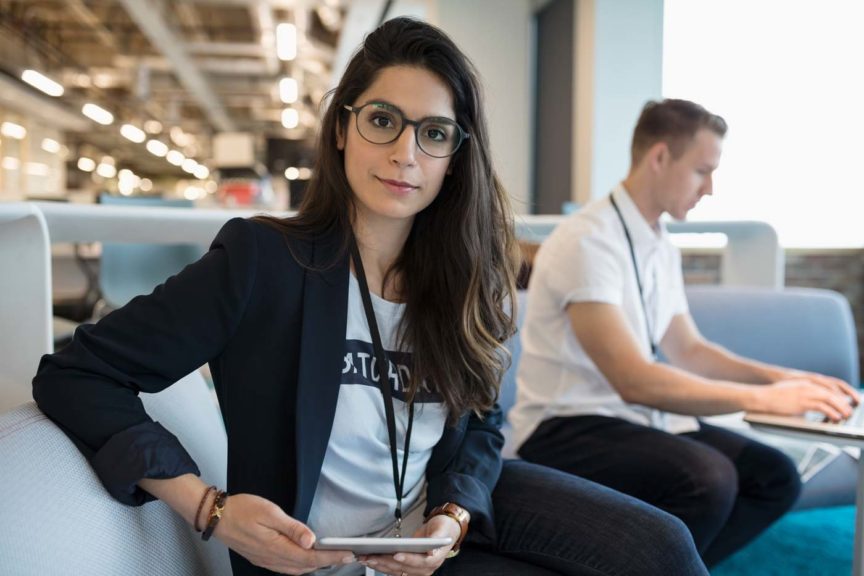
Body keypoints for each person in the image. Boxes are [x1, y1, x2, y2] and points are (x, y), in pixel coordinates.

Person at [33, 21, 709, 576]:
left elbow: (478, 427)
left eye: (434, 133)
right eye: (384, 121)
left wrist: (455, 513)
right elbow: (77, 374)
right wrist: (209, 507)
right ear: (342, 129)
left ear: (455, 156)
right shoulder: (262, 262)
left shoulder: (463, 276)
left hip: (427, 545)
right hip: (310, 561)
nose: (405, 154)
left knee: (664, 548)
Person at [509, 98, 861, 567]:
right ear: (659, 158)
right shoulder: (586, 242)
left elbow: (690, 349)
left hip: (637, 420)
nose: (710, 188)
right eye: (702, 171)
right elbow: (632, 379)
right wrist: (762, 400)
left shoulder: (658, 242)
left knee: (775, 476)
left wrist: (783, 380)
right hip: (566, 426)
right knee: (707, 478)